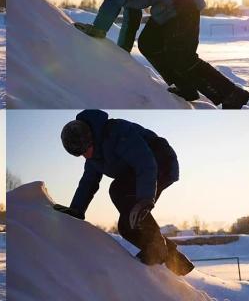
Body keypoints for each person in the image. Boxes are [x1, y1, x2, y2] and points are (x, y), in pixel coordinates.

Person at [74, 0, 249, 109]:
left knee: (181, 55)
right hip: (166, 8)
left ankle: (232, 94)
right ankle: (185, 87)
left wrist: (98, 29)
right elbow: (131, 18)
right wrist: (121, 54)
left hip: (183, 3)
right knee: (148, 43)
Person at [54, 109, 194, 276]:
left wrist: (144, 199)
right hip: (137, 174)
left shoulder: (117, 132)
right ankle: (177, 261)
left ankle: (156, 247)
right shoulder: (93, 157)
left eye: (86, 149)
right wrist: (76, 209)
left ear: (90, 137)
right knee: (126, 227)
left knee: (118, 190)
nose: (85, 155)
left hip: (160, 162)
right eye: (80, 154)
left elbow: (145, 162)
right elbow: (88, 182)